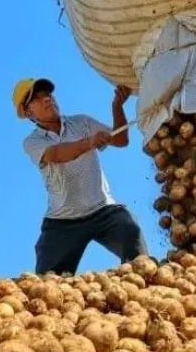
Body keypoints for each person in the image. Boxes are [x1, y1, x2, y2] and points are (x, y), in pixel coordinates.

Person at [13, 77, 148, 275]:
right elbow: (57, 155)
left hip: (103, 210)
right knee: (46, 282)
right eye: (38, 98)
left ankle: (146, 285)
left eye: (48, 94)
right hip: (63, 222)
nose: (47, 99)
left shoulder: (81, 123)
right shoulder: (32, 142)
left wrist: (117, 106)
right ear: (28, 112)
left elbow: (120, 139)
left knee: (131, 233)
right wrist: (90, 142)